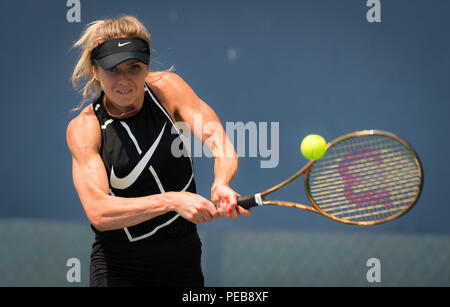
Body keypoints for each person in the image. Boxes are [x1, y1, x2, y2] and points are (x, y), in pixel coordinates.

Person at [66, 15, 250, 287]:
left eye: (134, 67)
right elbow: (98, 211)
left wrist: (221, 183)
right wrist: (173, 200)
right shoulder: (85, 128)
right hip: (121, 270)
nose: (124, 79)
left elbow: (218, 141)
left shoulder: (168, 90)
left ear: (148, 65)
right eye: (112, 69)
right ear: (95, 70)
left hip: (183, 260)